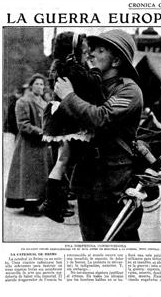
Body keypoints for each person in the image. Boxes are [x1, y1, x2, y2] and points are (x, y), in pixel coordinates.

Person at [54, 29, 144, 241]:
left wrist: (68, 97)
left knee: (119, 243)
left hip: (115, 184)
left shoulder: (129, 90)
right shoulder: (88, 85)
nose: (91, 54)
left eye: (100, 50)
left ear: (116, 61)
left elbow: (101, 118)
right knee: (91, 244)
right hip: (87, 180)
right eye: (91, 49)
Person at [38, 31, 105, 223]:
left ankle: (55, 204)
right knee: (65, 160)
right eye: (83, 51)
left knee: (64, 160)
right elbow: (93, 83)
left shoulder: (64, 67)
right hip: (69, 120)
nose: (87, 55)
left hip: (62, 118)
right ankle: (52, 204)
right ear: (73, 51)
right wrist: (95, 69)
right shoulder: (73, 68)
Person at [5, 73, 53, 216]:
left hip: (42, 144)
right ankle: (29, 206)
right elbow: (23, 125)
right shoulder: (23, 101)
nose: (40, 86)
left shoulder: (45, 103)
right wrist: (42, 132)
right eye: (37, 84)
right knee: (30, 175)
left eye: (42, 84)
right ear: (31, 86)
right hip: (29, 145)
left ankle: (37, 203)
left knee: (40, 174)